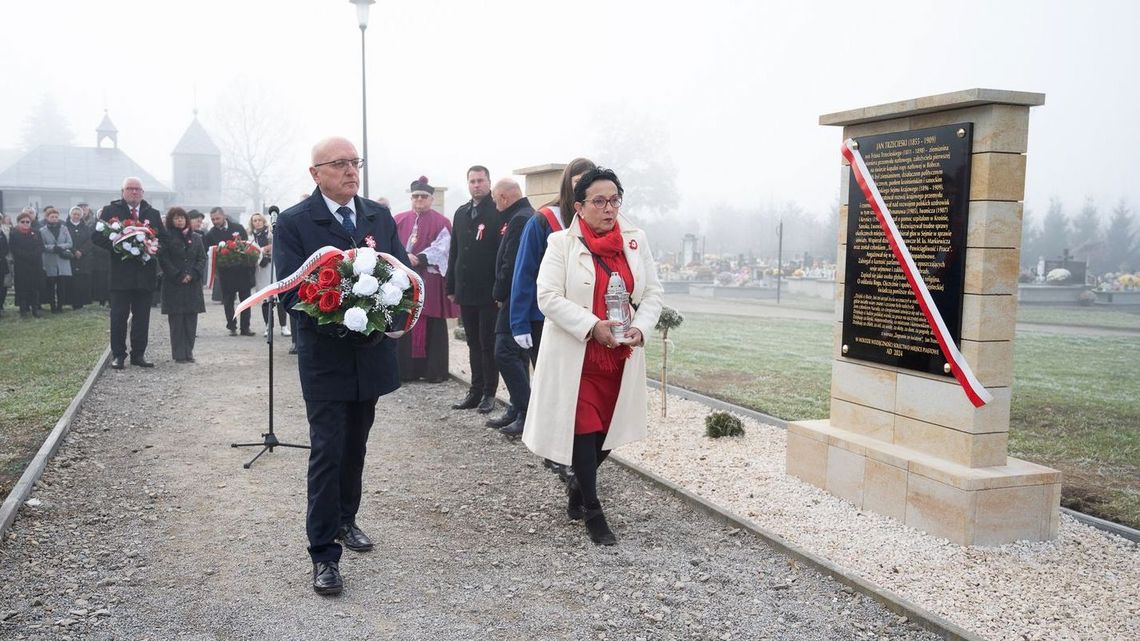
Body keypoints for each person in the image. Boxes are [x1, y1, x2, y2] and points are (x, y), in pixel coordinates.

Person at [275, 136, 410, 596]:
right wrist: (340, 319)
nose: (352, 171)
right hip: (326, 357)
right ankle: (323, 553)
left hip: (370, 353)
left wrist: (382, 316)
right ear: (316, 173)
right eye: (340, 164)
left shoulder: (377, 216)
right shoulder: (295, 223)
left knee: (356, 444)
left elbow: (403, 276)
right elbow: (292, 292)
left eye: (356, 163)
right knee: (328, 449)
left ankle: (347, 519)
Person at [522, 167, 663, 546]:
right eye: (599, 201)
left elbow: (652, 294)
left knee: (607, 431)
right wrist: (591, 325)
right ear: (580, 207)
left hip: (621, 357)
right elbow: (547, 297)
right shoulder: (560, 244)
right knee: (584, 427)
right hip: (578, 354)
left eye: (615, 199)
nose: (609, 208)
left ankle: (577, 490)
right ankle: (594, 510)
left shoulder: (636, 240)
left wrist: (641, 328)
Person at [511, 158, 596, 476]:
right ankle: (555, 452)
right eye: (578, 180)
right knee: (555, 388)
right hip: (543, 317)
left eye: (589, 178)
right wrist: (518, 321)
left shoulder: (594, 220)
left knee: (579, 389)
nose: (584, 184)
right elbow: (525, 272)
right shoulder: (544, 220)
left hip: (586, 320)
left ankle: (573, 452)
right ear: (567, 183)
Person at [92, 177, 167, 369]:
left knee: (142, 317)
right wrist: (119, 246)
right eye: (130, 188)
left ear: (143, 193)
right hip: (120, 274)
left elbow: (163, 239)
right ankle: (118, 355)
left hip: (145, 274)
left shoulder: (153, 213)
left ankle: (138, 354)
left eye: (137, 189)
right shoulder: (111, 211)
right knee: (118, 317)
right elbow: (96, 237)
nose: (134, 192)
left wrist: (152, 247)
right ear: (122, 191)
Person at [445, 165, 502, 414]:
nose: (476, 185)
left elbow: (501, 255)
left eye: (480, 180)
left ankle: (490, 393)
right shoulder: (461, 213)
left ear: (489, 182)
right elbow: (454, 252)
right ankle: (475, 390)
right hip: (466, 290)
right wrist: (451, 286)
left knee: (487, 343)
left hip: (488, 291)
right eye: (472, 181)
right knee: (472, 342)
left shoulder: (497, 212)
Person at [394, 176, 458, 383]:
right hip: (403, 279)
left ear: (431, 199)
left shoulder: (442, 222)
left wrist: (419, 258)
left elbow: (444, 248)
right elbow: (391, 244)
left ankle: (434, 371)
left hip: (429, 278)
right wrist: (405, 258)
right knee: (404, 318)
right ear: (411, 198)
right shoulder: (398, 219)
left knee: (432, 322)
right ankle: (406, 370)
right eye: (415, 196)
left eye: (423, 196)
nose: (419, 200)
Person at [487, 178, 535, 436]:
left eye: (495, 200)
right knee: (517, 354)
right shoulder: (525, 215)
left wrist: (499, 291)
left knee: (504, 352)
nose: (495, 206)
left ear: (504, 197)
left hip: (515, 298)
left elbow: (512, 262)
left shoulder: (519, 219)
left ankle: (527, 412)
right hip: (519, 298)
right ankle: (517, 408)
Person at [159, 207, 207, 362]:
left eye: (182, 217)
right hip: (174, 285)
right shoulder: (166, 238)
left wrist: (192, 274)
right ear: (171, 221)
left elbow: (202, 258)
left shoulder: (196, 237)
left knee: (191, 321)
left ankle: (189, 352)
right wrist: (178, 275)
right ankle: (179, 354)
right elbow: (164, 260)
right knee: (177, 322)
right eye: (176, 218)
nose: (179, 220)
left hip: (192, 285)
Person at [204, 207, 254, 336]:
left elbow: (247, 246)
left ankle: (245, 327)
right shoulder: (210, 234)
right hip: (226, 273)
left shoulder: (238, 228)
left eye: (217, 218)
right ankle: (232, 326)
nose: (215, 221)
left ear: (224, 216)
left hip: (242, 270)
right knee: (228, 301)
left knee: (245, 300)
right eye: (213, 219)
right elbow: (209, 253)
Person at [249, 212, 289, 337]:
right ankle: (268, 326)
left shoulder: (271, 232)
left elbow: (279, 243)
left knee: (279, 297)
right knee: (265, 299)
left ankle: (284, 326)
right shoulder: (250, 236)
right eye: (254, 220)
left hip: (273, 266)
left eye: (259, 220)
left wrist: (266, 249)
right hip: (260, 269)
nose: (257, 222)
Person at [39, 206, 73, 313]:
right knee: (50, 285)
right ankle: (53, 306)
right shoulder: (42, 231)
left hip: (62, 260)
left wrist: (61, 247)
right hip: (49, 260)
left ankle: (60, 306)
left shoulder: (64, 228)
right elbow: (42, 245)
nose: (54, 218)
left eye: (56, 217)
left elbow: (70, 243)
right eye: (52, 216)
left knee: (61, 286)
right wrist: (53, 248)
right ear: (47, 218)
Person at [10, 211, 44, 318]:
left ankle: (35, 309)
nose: (25, 223)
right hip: (21, 265)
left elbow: (41, 246)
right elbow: (14, 248)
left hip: (35, 264)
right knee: (22, 288)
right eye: (22, 221)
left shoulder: (36, 232)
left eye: (28, 222)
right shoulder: (14, 233)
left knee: (34, 288)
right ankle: (23, 310)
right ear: (18, 222)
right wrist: (26, 255)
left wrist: (33, 255)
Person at [64, 206, 93, 309]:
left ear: (81, 216)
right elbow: (63, 240)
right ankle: (70, 302)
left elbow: (90, 241)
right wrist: (74, 250)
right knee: (71, 280)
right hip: (69, 257)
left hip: (83, 258)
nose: (76, 216)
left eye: (78, 214)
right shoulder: (65, 227)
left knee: (81, 281)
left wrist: (81, 251)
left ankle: (81, 302)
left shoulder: (86, 228)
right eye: (74, 214)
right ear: (70, 215)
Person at [0, 215, 9, 318]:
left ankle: (1, 305)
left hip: (2, 263)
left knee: (2, 286)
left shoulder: (3, 232)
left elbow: (6, 247)